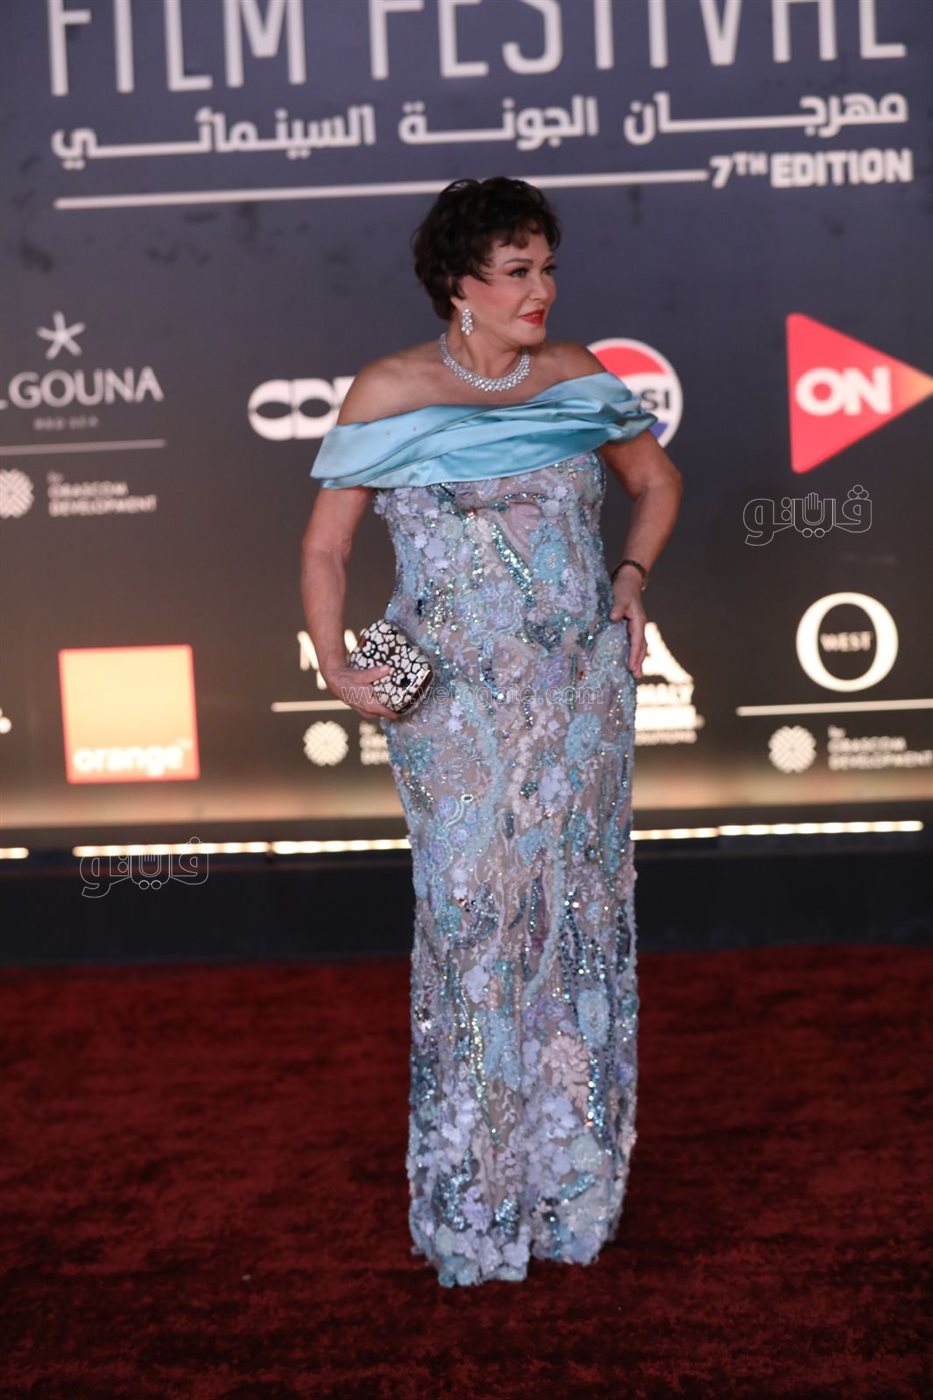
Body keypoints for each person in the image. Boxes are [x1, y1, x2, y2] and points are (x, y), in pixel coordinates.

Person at [300, 176, 682, 1288]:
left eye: (546, 268)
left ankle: (572, 1188)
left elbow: (657, 481)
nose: (539, 290)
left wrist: (629, 578)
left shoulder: (577, 376)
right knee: (475, 926)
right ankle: (476, 1196)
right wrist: (336, 661)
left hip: (577, 698)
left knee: (577, 922)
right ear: (458, 285)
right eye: (516, 272)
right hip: (450, 701)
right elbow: (325, 548)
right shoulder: (391, 389)